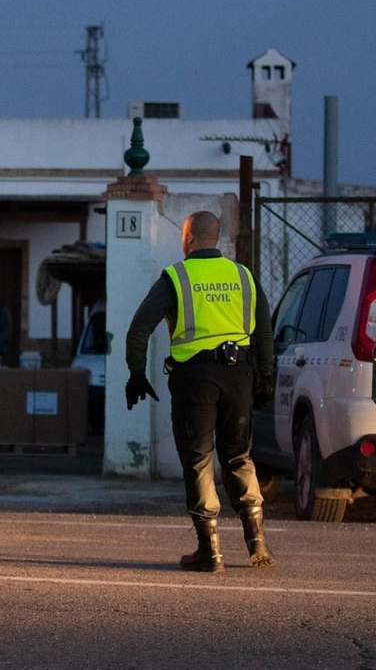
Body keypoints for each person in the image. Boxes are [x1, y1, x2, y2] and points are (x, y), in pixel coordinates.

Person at [123, 210, 275, 572]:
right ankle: (257, 542)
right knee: (239, 455)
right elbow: (264, 330)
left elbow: (139, 329)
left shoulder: (176, 277)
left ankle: (210, 552)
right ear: (217, 239)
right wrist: (266, 379)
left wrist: (136, 374)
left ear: (188, 238)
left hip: (195, 380)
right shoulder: (244, 276)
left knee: (199, 460)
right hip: (239, 376)